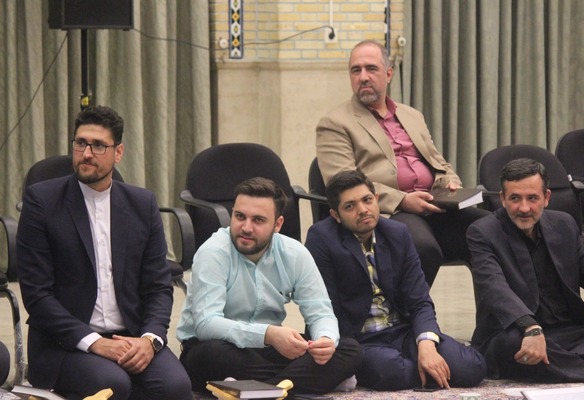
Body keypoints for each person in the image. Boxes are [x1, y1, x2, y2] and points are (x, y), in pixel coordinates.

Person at [16, 105, 192, 400]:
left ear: (118, 152)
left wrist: (149, 340)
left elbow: (158, 287)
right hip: (66, 344)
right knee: (113, 384)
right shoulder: (42, 202)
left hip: (132, 337)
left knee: (175, 386)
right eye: (81, 143)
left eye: (98, 145)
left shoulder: (142, 204)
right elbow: (37, 295)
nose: (86, 153)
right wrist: (95, 342)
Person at [316, 39, 489, 286]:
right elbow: (341, 183)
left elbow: (438, 162)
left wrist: (451, 184)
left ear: (388, 74)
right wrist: (403, 200)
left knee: (492, 230)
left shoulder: (411, 115)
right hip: (391, 212)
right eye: (356, 70)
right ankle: (409, 312)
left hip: (436, 205)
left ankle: (497, 312)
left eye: (371, 69)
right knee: (421, 246)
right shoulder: (335, 123)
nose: (363, 77)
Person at [177, 177, 362, 395]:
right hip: (217, 346)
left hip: (268, 350)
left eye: (258, 220)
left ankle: (253, 390)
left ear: (278, 225)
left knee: (350, 350)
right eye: (240, 216)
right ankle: (305, 382)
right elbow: (206, 324)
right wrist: (268, 334)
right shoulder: (213, 252)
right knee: (210, 355)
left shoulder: (294, 253)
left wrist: (325, 340)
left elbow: (320, 312)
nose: (246, 227)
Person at [305, 170, 486, 391]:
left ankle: (422, 367)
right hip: (360, 339)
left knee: (472, 366)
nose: (363, 210)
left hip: (402, 331)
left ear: (376, 199)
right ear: (336, 215)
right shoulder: (321, 238)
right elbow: (325, 307)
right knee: (391, 371)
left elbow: (419, 300)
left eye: (367, 200)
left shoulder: (397, 232)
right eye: (350, 206)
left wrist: (426, 345)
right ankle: (424, 372)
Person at [467, 158, 584, 382]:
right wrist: (531, 327)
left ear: (546, 197)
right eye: (515, 198)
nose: (524, 208)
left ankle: (575, 365)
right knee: (514, 346)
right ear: (502, 198)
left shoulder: (564, 224)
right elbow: (494, 288)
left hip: (569, 330)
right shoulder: (483, 232)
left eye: (532, 198)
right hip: (516, 330)